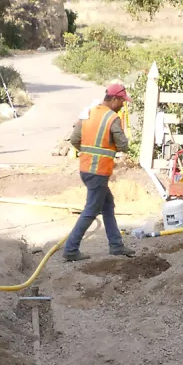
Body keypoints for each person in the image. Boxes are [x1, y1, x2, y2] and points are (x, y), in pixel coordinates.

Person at [63, 82, 135, 263]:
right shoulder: (112, 118)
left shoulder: (88, 113)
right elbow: (123, 145)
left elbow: (74, 140)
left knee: (107, 205)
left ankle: (116, 245)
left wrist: (89, 152)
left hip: (86, 169)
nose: (122, 105)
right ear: (115, 99)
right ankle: (71, 249)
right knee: (91, 210)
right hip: (99, 171)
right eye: (122, 101)